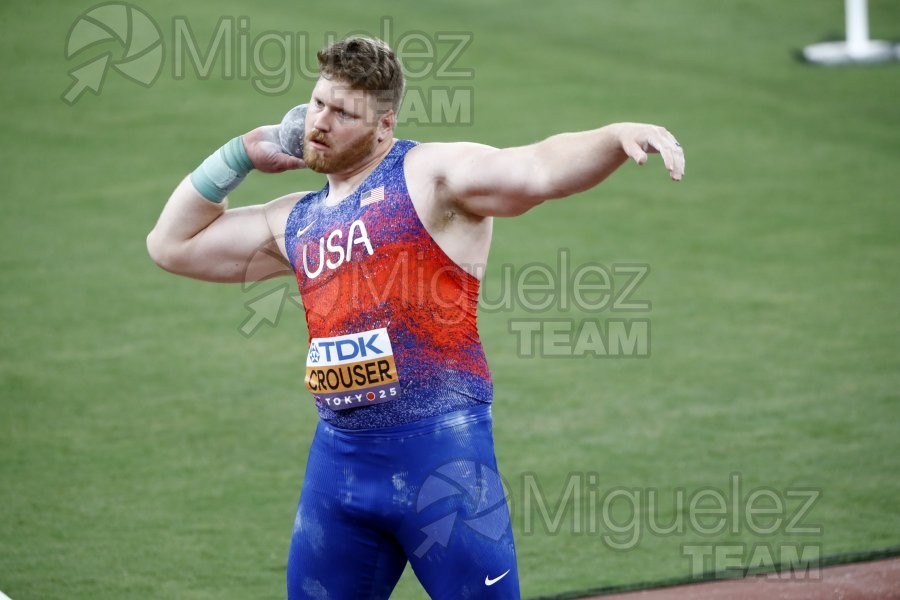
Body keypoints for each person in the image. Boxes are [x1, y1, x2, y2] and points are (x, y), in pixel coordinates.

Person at [147, 36, 684, 600]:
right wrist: (238, 155)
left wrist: (614, 136)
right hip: (338, 471)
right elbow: (171, 245)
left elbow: (537, 168)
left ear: (384, 126)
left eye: (343, 113)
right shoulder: (294, 220)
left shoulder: (429, 177)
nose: (319, 123)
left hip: (443, 466)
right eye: (318, 104)